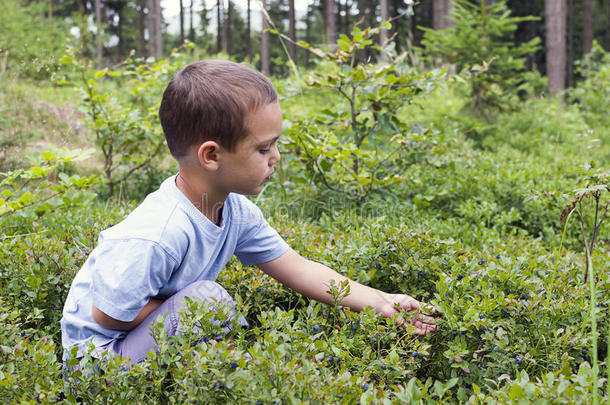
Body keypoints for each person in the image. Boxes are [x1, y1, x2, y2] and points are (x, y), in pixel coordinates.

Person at [60, 60, 439, 366]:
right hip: (100, 365)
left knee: (207, 304)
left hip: (142, 343)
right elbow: (108, 317)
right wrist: (193, 315)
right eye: (263, 149)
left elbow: (299, 268)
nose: (276, 158)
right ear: (211, 155)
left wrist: (382, 301)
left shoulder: (235, 211)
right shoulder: (159, 231)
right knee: (207, 301)